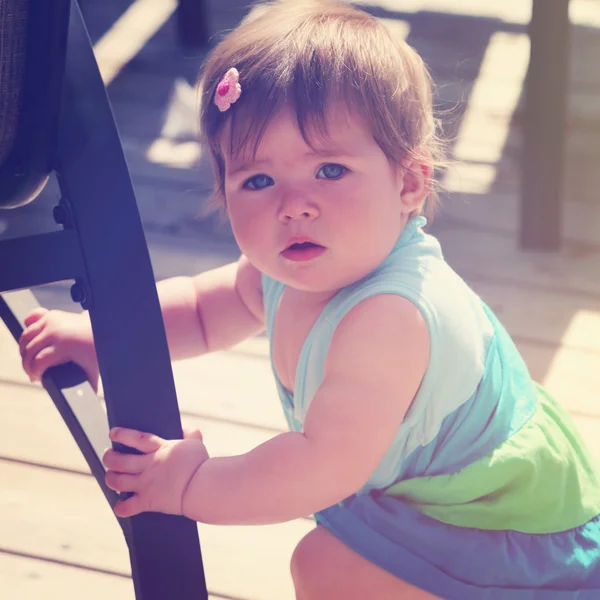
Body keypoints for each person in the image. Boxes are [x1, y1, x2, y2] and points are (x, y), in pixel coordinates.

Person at [18, 1, 600, 598]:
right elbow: (198, 310)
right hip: (416, 484)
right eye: (259, 181)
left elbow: (320, 466)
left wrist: (194, 484)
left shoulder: (389, 319)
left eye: (329, 171)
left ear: (407, 183)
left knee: (324, 566)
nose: (293, 205)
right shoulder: (284, 266)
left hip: (497, 517)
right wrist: (102, 338)